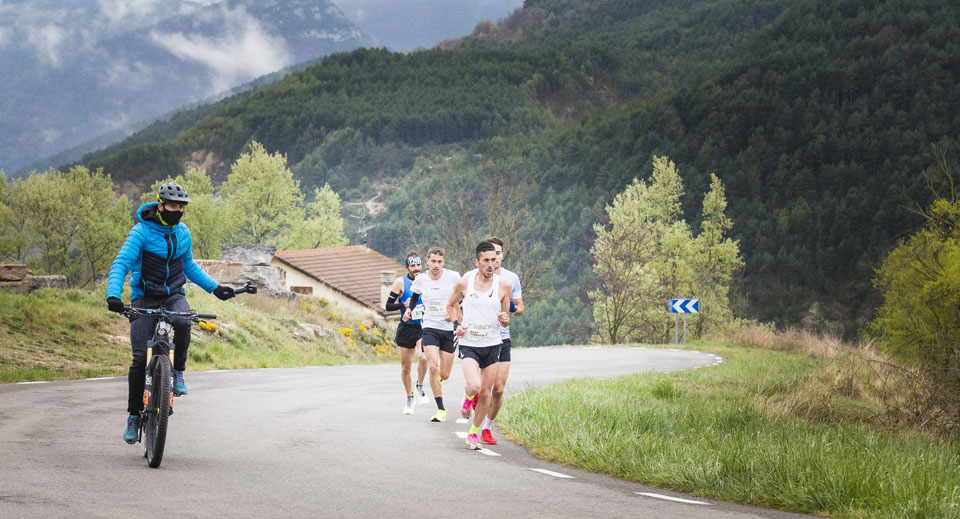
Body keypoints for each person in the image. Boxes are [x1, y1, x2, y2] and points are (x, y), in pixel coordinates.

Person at [106, 182, 237, 444]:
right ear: (160, 205)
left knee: (183, 319)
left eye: (181, 207)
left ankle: (177, 372)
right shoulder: (141, 232)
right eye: (172, 205)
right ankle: (133, 416)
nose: (177, 210)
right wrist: (113, 295)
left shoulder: (183, 233)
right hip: (144, 296)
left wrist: (216, 288)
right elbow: (121, 263)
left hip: (174, 294)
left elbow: (189, 265)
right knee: (140, 357)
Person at [448, 241, 511, 449]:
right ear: (477, 262)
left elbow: (506, 319)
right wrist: (457, 324)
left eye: (494, 260)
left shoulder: (503, 285)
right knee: (474, 386)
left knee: (485, 393)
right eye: (486, 260)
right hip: (470, 343)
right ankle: (467, 397)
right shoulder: (465, 282)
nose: (490, 264)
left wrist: (504, 318)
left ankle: (473, 433)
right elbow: (450, 305)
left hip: (493, 343)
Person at [470, 237, 524, 445]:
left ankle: (486, 429)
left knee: (499, 388)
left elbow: (520, 308)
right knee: (483, 387)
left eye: (498, 254)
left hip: (502, 338)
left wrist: (512, 310)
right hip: (480, 337)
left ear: (501, 256)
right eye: (490, 256)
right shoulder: (476, 278)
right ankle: (473, 403)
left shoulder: (511, 279)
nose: (494, 260)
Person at [404, 246, 460, 423]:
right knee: (433, 366)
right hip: (429, 327)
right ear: (427, 261)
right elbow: (414, 297)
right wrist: (408, 311)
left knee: (445, 373)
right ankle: (441, 409)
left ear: (444, 262)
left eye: (439, 262)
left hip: (448, 328)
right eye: (433, 261)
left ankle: (437, 382)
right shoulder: (421, 279)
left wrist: (455, 315)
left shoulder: (453, 277)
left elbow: (463, 298)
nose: (436, 265)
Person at [385, 252, 430, 415]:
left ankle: (420, 385)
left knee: (424, 357)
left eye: (418, 265)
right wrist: (401, 305)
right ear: (407, 267)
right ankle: (409, 396)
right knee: (406, 367)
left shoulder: (427, 280)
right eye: (413, 266)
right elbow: (388, 306)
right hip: (406, 327)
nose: (416, 269)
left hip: (423, 327)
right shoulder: (400, 283)